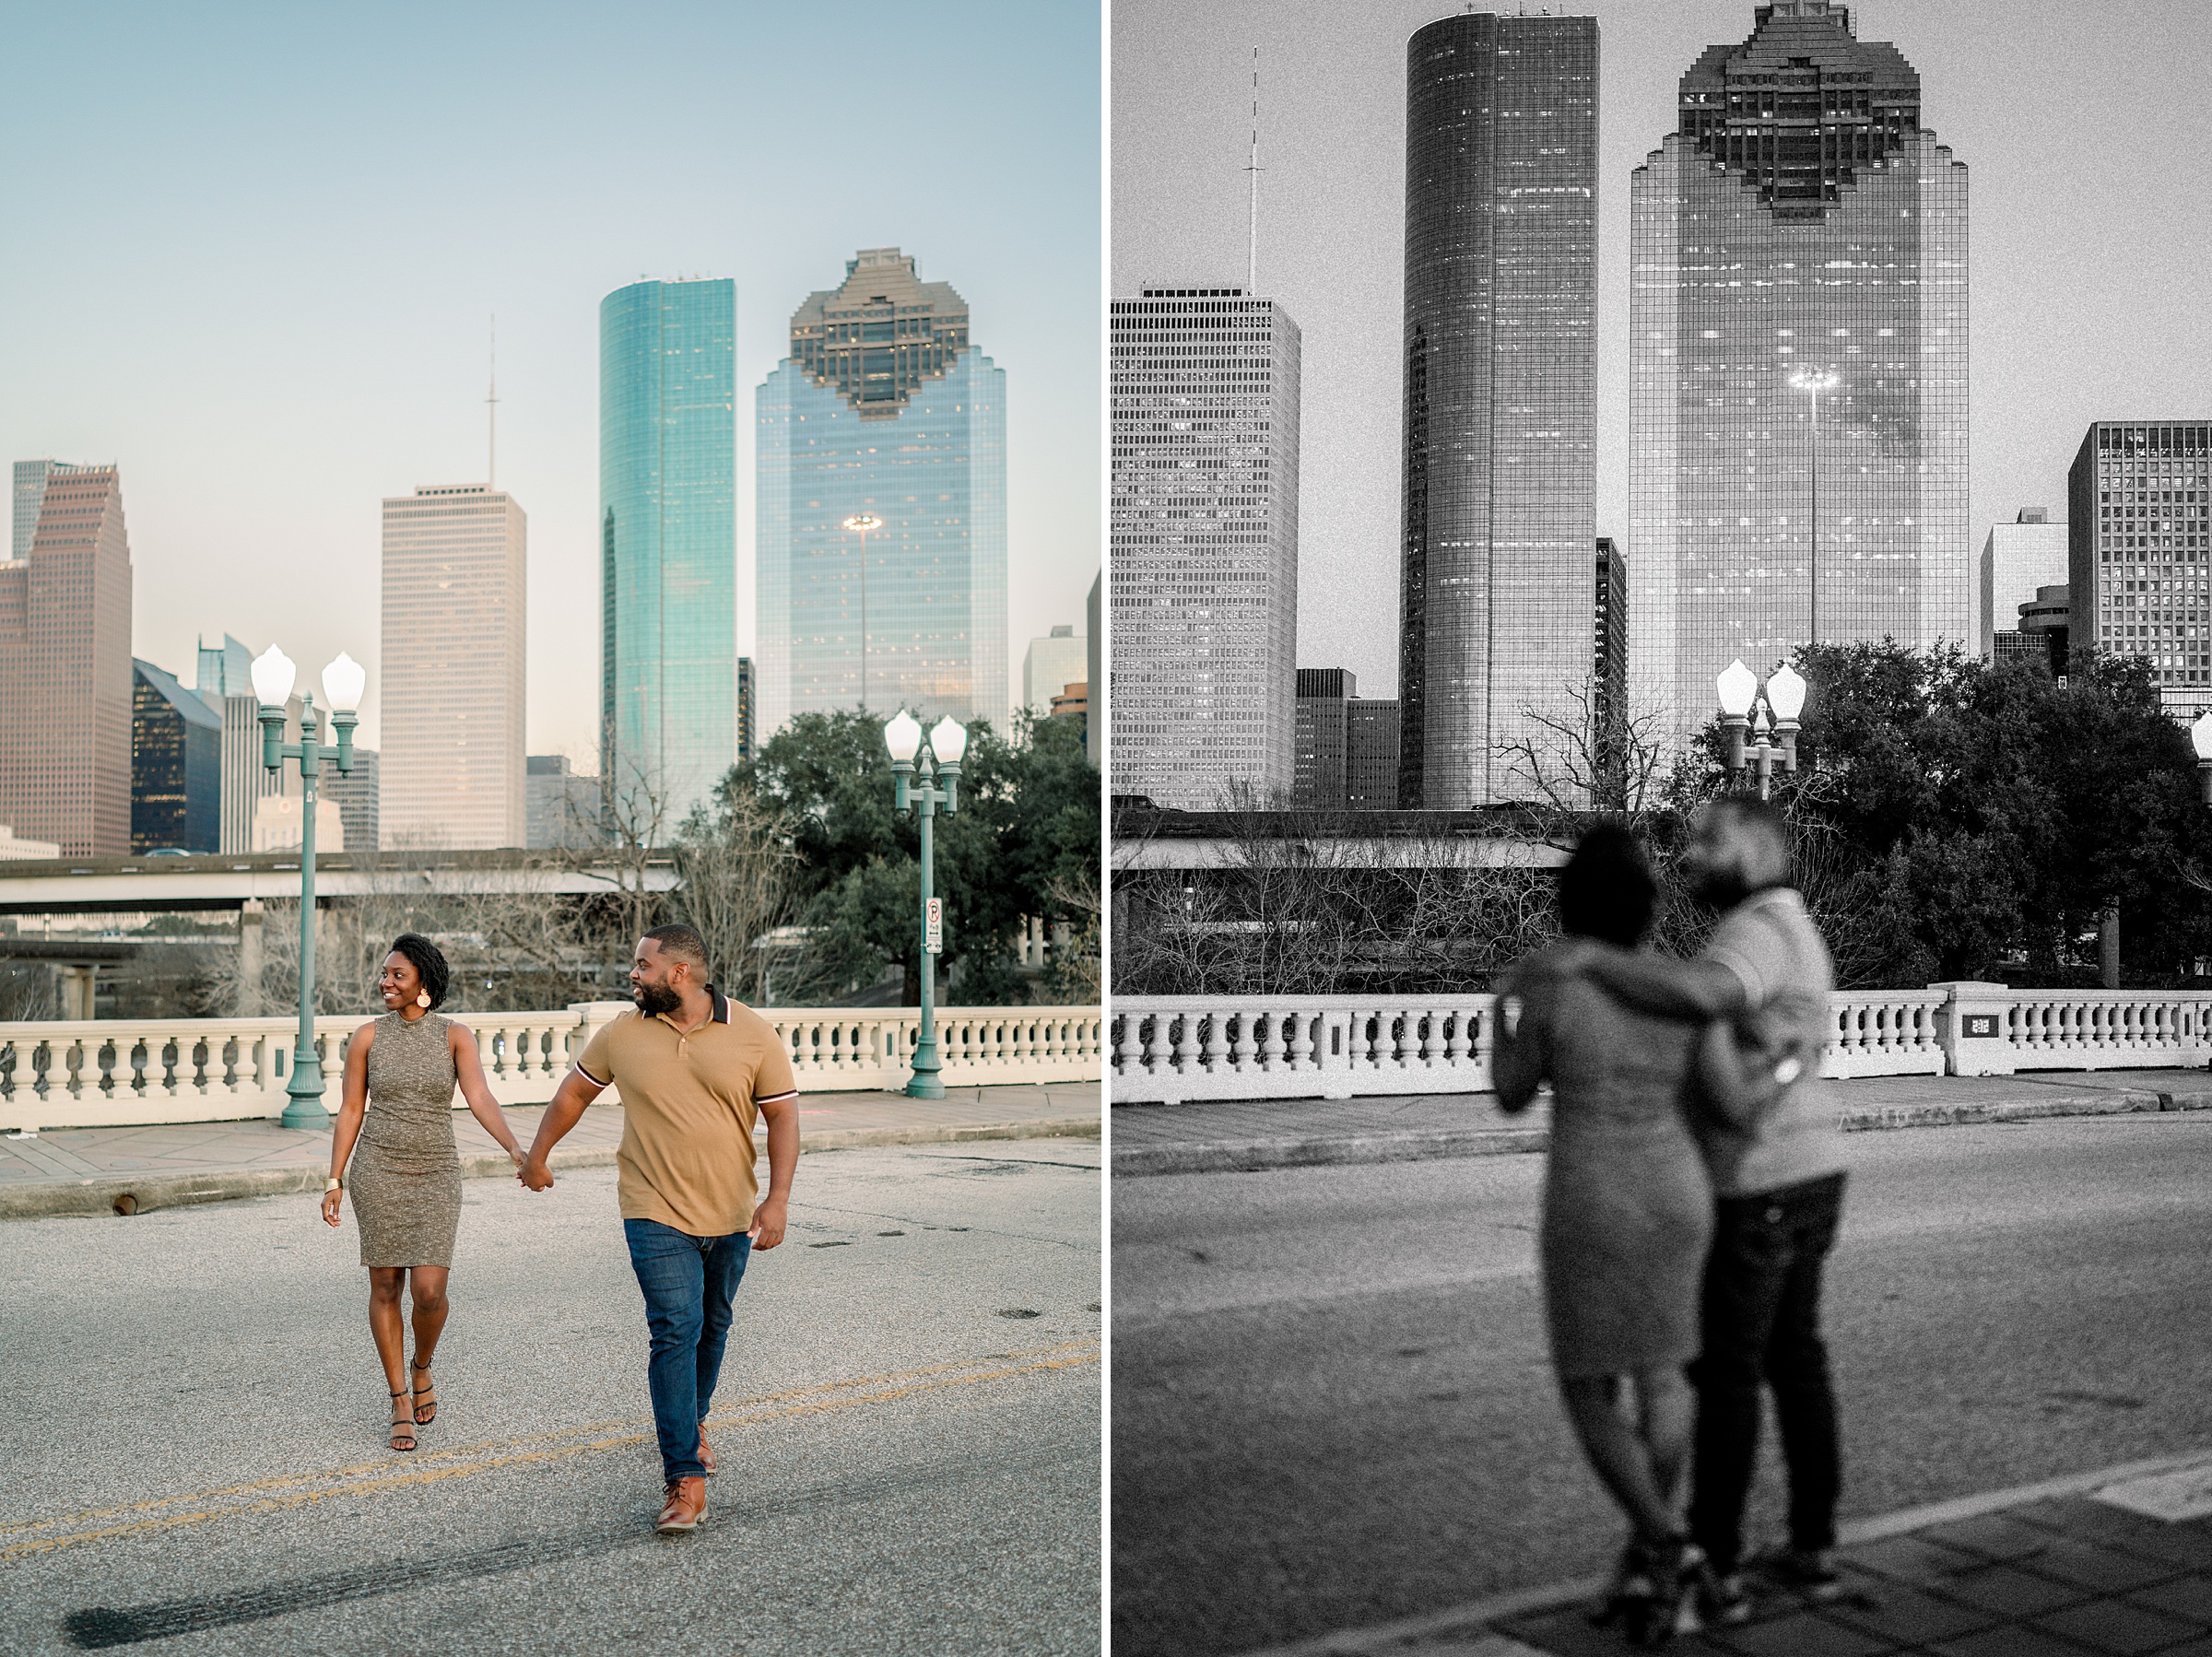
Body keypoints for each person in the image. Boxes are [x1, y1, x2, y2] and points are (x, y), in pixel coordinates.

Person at [1573, 796, 1849, 1626]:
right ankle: (1811, 1546)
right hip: (1811, 1167)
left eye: (1708, 839)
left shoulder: (1757, 931)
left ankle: (1715, 1560)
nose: (1689, 853)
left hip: (1758, 1180)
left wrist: (1585, 963)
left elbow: (1707, 995)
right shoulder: (1788, 921)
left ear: (1760, 848)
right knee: (1795, 1362)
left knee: (1727, 1374)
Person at [1491, 824, 1715, 1644]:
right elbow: (1715, 1091)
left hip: (1593, 1198)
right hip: (1676, 1193)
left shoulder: (1551, 985)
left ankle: (1666, 1542)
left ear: (1570, 906)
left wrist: (1501, 1014)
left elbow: (1514, 1094)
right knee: (1665, 1377)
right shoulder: (1675, 987)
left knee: (1589, 1389)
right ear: (1647, 908)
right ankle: (1645, 1560)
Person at [518, 923, 799, 1535]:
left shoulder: (753, 1033)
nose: (633, 975)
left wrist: (777, 1199)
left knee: (713, 1325)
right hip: (651, 1208)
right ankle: (684, 1478)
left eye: (643, 966)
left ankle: (692, 1418)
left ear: (680, 973)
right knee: (676, 1327)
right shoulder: (622, 1033)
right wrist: (538, 1155)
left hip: (730, 1212)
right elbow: (573, 1094)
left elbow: (781, 1118)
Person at [322, 934, 527, 1452]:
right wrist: (334, 1179)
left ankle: (422, 1365)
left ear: (424, 986)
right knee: (386, 1285)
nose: (385, 983)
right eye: (385, 974)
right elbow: (351, 1110)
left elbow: (479, 1096)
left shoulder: (455, 1036)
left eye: (397, 976)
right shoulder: (368, 1037)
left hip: (435, 1171)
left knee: (430, 1291)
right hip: (379, 1171)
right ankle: (398, 1397)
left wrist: (516, 1151)